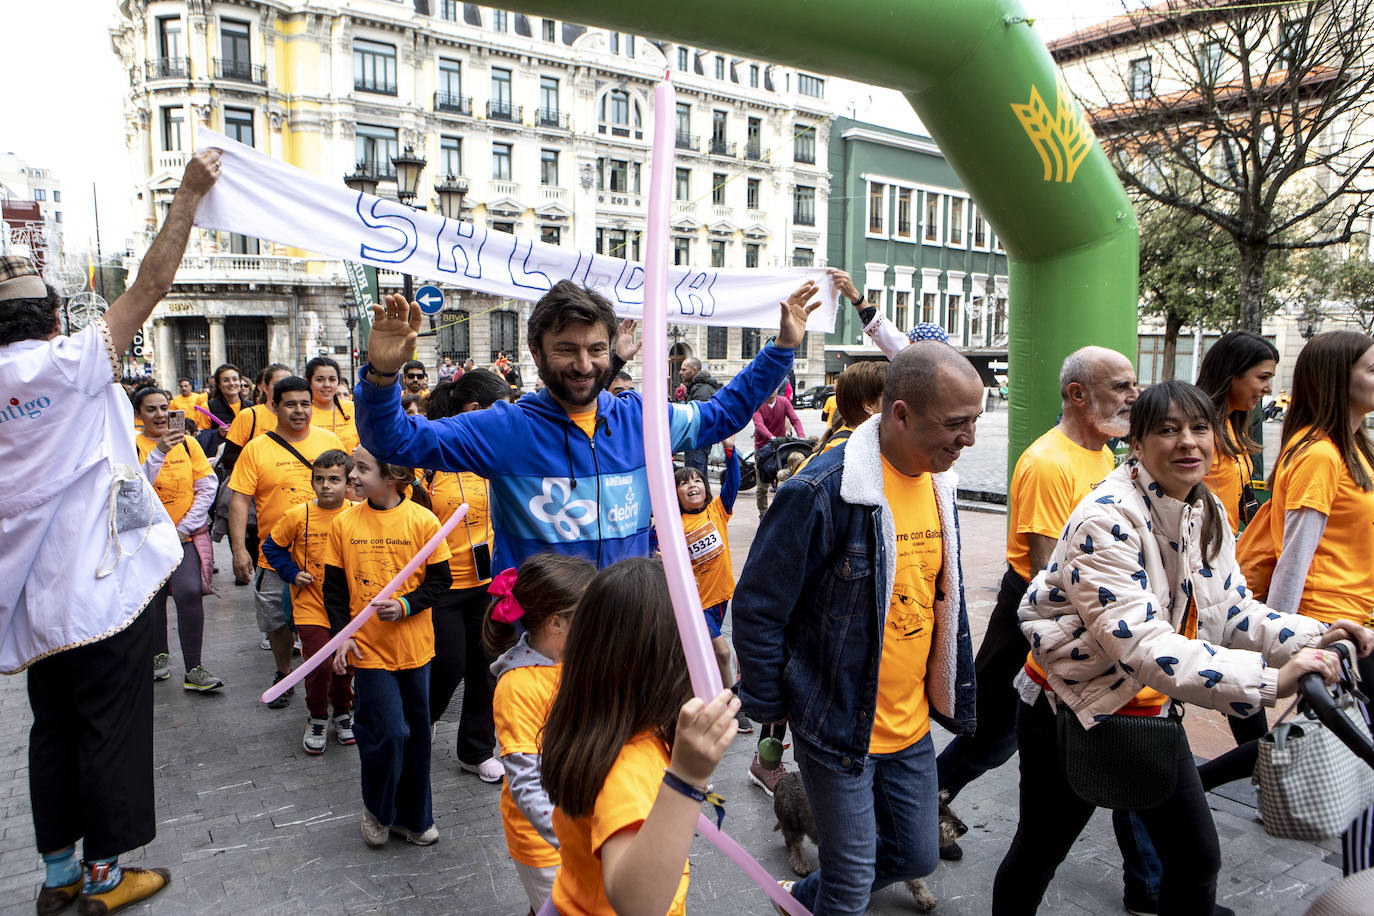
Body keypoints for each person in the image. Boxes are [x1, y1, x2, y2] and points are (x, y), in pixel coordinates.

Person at [991, 379, 1374, 916]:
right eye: (1167, 430)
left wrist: (1315, 634)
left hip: (1150, 704)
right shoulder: (1106, 516)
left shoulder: (1205, 505)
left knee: (1194, 860)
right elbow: (1143, 643)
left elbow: (1231, 608)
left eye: (1199, 428)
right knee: (1041, 849)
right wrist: (1271, 680)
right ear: (1137, 443)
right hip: (1072, 706)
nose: (1188, 442)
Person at [0, 149, 219, 915]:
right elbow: (152, 284)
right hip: (103, 592)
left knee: (51, 732)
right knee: (111, 730)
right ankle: (103, 878)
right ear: (55, 318)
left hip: (30, 603)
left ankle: (58, 876)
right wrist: (189, 194)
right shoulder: (72, 360)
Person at [733, 342, 981, 914]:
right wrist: (774, 706)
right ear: (899, 414)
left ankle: (801, 897)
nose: (967, 438)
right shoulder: (822, 490)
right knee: (851, 882)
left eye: (974, 421)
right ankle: (823, 896)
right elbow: (757, 607)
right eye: (955, 423)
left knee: (918, 856)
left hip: (910, 724)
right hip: (836, 724)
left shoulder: (942, 484)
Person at [354, 279, 817, 571]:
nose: (584, 364)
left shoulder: (639, 417)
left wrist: (780, 348)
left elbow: (722, 415)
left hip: (622, 637)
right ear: (536, 353)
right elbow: (394, 440)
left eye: (596, 349)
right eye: (566, 349)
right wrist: (381, 376)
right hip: (541, 652)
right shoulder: (503, 429)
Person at [933, 347, 1140, 863]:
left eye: (1132, 385)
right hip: (1037, 616)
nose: (1133, 397)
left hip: (1081, 618)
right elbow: (1049, 574)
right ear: (1077, 394)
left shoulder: (1103, 454)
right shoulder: (1048, 462)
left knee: (1001, 741)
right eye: (1120, 386)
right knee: (991, 741)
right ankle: (914, 814)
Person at [541, 557, 740, 916]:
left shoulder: (590, 719)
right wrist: (686, 777)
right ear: (670, 662)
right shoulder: (631, 763)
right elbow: (638, 905)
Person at [326, 447, 453, 848]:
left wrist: (405, 605)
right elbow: (333, 590)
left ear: (393, 476)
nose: (353, 476)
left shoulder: (423, 520)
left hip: (416, 649)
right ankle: (378, 810)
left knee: (417, 734)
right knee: (388, 731)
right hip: (367, 651)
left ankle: (414, 819)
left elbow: (440, 581)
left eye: (363, 469)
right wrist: (342, 636)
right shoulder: (344, 523)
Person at [484, 553, 597, 914]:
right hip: (546, 842)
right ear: (556, 624)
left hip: (583, 825)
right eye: (590, 615)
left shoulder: (576, 661)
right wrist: (573, 842)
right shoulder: (517, 686)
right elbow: (526, 782)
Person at [228, 376, 343, 707]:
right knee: (277, 619)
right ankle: (283, 673)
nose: (299, 411)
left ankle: (337, 678)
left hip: (328, 555)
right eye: (290, 404)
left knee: (330, 619)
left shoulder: (329, 440)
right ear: (274, 406)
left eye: (305, 403)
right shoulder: (256, 448)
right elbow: (239, 500)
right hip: (277, 558)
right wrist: (238, 550)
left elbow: (351, 488)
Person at [424, 371, 510, 783]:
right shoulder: (429, 454)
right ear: (474, 411)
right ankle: (423, 718)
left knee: (486, 666)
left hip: (489, 583)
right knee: (449, 664)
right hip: (441, 585)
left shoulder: (493, 453)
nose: (510, 414)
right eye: (502, 406)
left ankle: (476, 749)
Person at [260, 449, 357, 754]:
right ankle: (317, 715)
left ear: (348, 483)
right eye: (319, 479)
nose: (326, 485)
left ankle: (342, 711)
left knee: (345, 665)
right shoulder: (297, 515)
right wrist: (292, 573)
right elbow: (271, 547)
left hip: (348, 610)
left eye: (334, 479)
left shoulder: (359, 512)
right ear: (312, 481)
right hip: (310, 606)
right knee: (319, 665)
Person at [133, 387, 223, 692]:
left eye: (163, 408)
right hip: (147, 539)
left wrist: (185, 527)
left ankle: (194, 668)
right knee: (153, 601)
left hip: (185, 535)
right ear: (138, 415)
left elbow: (207, 485)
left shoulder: (189, 444)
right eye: (151, 409)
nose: (159, 415)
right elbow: (135, 490)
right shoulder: (132, 445)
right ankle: (159, 656)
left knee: (188, 592)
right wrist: (158, 452)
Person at [673, 437, 751, 736]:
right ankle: (731, 707)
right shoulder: (674, 524)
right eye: (684, 482)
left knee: (701, 655)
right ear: (675, 494)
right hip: (696, 605)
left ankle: (701, 700)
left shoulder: (717, 511)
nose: (692, 484)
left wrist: (730, 451)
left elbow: (733, 481)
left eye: (697, 479)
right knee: (721, 652)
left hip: (722, 599)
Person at [1197, 330, 1278, 534]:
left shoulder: (1231, 424)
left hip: (1222, 550)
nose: (1268, 388)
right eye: (1262, 377)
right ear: (1231, 373)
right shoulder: (1195, 428)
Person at [751, 385, 806, 515]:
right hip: (763, 448)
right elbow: (759, 425)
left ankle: (779, 514)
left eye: (775, 386)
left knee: (782, 481)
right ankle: (763, 514)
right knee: (762, 486)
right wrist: (771, 437)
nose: (772, 389)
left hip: (780, 448)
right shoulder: (758, 404)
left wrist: (801, 436)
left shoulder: (784, 402)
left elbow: (795, 419)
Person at [306, 356, 360, 453]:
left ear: (338, 382)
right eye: (319, 379)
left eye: (332, 379)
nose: (327, 384)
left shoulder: (353, 409)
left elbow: (367, 443)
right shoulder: (302, 412)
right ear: (308, 382)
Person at [679, 357, 723, 475]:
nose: (680, 372)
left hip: (698, 440)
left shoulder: (701, 390)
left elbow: (698, 417)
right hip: (699, 440)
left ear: (694, 370)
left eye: (684, 369)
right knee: (699, 474)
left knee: (695, 475)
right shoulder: (697, 387)